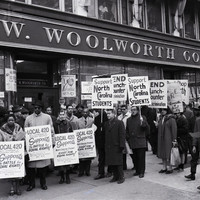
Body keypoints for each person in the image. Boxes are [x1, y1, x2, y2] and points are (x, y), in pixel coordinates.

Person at [24, 100, 55, 191]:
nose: (36, 109)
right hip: (32, 147)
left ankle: (43, 184)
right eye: (35, 108)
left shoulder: (47, 117)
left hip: (43, 146)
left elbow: (51, 130)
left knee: (43, 168)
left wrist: (52, 142)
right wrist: (26, 145)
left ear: (41, 108)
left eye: (38, 108)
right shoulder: (28, 118)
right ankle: (31, 184)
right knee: (31, 168)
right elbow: (25, 131)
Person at [0, 114, 25, 196]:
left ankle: (18, 187)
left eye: (12, 120)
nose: (11, 121)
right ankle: (11, 187)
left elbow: (23, 138)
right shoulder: (2, 129)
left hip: (17, 153)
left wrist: (16, 139)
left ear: (15, 120)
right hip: (8, 153)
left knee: (18, 171)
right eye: (9, 120)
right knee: (10, 172)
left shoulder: (19, 128)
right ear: (7, 121)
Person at [126, 106, 149, 178]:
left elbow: (147, 129)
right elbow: (127, 129)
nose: (133, 111)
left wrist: (143, 123)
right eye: (132, 110)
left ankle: (142, 171)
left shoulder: (142, 118)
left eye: (134, 110)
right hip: (132, 141)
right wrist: (128, 138)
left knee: (141, 157)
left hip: (140, 141)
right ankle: (137, 170)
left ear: (138, 110)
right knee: (135, 157)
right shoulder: (129, 119)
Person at [104, 109, 125, 184]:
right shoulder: (106, 123)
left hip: (117, 145)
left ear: (114, 114)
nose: (108, 115)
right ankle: (115, 176)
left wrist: (122, 145)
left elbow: (122, 135)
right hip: (109, 146)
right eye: (107, 114)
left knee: (118, 162)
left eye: (109, 113)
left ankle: (121, 176)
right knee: (112, 162)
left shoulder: (119, 123)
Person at [55, 110, 73, 184]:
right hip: (59, 145)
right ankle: (62, 177)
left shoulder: (68, 123)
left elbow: (71, 132)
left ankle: (68, 177)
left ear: (65, 115)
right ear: (58, 116)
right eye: (60, 115)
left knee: (67, 162)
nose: (62, 116)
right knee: (60, 163)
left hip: (67, 144)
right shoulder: (56, 124)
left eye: (63, 115)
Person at [157, 107, 177, 174]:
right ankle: (164, 166)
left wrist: (174, 139)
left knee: (169, 153)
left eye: (164, 110)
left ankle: (170, 167)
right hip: (161, 138)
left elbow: (174, 130)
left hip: (168, 138)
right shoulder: (161, 118)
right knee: (162, 152)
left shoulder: (171, 119)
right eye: (161, 110)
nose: (162, 111)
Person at [77, 107, 94, 176]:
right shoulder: (78, 121)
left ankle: (87, 171)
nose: (85, 113)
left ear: (88, 113)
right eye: (83, 112)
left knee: (88, 157)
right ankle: (81, 171)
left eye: (86, 112)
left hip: (89, 140)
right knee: (81, 157)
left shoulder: (92, 120)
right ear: (81, 113)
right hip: (81, 141)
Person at [93, 109, 110, 180]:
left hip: (108, 141)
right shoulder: (97, 118)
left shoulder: (108, 117)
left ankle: (110, 171)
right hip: (100, 141)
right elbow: (94, 129)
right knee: (101, 158)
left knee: (109, 157)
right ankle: (101, 172)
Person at [185, 104, 200, 181]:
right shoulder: (194, 119)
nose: (196, 111)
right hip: (196, 141)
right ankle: (192, 174)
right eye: (195, 110)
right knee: (194, 159)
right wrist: (194, 144)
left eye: (197, 110)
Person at [118, 105, 134, 170]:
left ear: (127, 109)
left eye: (124, 109)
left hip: (128, 136)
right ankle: (124, 166)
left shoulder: (130, 116)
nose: (122, 110)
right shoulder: (119, 117)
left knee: (131, 152)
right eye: (121, 109)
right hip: (121, 136)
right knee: (123, 152)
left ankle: (135, 165)